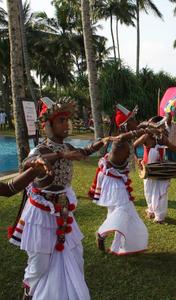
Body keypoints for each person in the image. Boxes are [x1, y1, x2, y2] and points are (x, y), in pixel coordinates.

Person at [10, 96, 111, 300]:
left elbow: (83, 152)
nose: (67, 125)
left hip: (64, 211)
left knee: (75, 254)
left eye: (67, 120)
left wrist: (104, 142)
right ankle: (27, 292)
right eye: (61, 121)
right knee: (39, 264)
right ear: (48, 125)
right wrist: (60, 156)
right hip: (41, 214)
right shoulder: (40, 150)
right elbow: (28, 164)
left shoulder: (68, 147)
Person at [88, 104, 159, 254]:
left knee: (119, 212)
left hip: (116, 179)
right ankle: (101, 233)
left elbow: (136, 133)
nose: (136, 121)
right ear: (126, 124)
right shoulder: (120, 139)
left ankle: (115, 245)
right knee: (123, 210)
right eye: (132, 119)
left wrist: (151, 125)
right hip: (112, 181)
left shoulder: (126, 140)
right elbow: (130, 135)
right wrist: (146, 129)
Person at [134, 116, 176, 224]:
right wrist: (137, 159)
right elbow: (133, 146)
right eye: (162, 125)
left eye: (163, 126)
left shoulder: (162, 138)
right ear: (156, 126)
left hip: (160, 169)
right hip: (148, 170)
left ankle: (159, 216)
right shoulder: (146, 136)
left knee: (161, 191)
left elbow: (173, 147)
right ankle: (151, 210)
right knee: (149, 192)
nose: (164, 127)